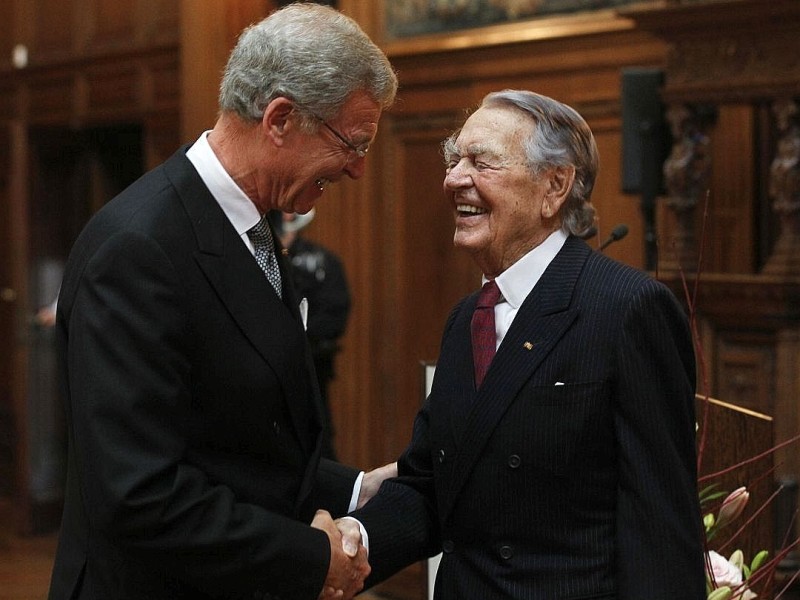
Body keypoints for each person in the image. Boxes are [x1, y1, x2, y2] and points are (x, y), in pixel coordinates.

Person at [47, 4, 397, 600]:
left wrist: (353, 490)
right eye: (352, 143)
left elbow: (237, 440)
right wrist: (311, 558)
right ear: (281, 118)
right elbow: (140, 495)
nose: (359, 170)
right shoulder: (138, 249)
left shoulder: (248, 225)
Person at [348, 90, 706, 599]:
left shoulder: (626, 309)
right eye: (454, 160)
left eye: (482, 162)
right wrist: (349, 543)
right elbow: (433, 484)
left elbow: (661, 531)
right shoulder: (464, 320)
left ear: (554, 186)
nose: (454, 179)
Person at [269, 209, 351, 460]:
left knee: (316, 440)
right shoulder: (254, 256)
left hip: (312, 368)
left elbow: (334, 315)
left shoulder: (322, 261)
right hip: (266, 370)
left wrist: (296, 337)